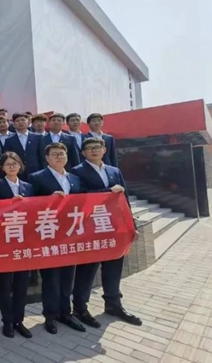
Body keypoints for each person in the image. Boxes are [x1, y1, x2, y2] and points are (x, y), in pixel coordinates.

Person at [70, 137, 142, 327]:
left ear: (104, 150)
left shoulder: (114, 170)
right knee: (87, 271)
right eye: (89, 148)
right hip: (91, 228)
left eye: (97, 147)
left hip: (113, 228)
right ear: (83, 153)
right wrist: (107, 191)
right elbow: (79, 197)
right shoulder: (77, 171)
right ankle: (80, 308)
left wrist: (131, 225)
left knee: (113, 268)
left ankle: (113, 304)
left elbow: (124, 199)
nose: (94, 150)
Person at [28, 143, 86, 335]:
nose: (59, 157)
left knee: (68, 277)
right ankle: (50, 315)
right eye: (54, 154)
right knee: (51, 279)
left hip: (70, 235)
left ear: (67, 157)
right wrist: (49, 199)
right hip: (49, 236)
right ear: (47, 158)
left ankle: (65, 313)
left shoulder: (75, 179)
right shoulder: (37, 178)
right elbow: (30, 206)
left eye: (62, 153)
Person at [0, 152, 34, 339]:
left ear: (20, 166)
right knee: (5, 286)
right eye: (8, 164)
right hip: (4, 243)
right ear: (2, 168)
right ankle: (7, 321)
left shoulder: (28, 187)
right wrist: (9, 204)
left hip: (23, 242)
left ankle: (18, 320)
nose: (12, 167)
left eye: (14, 163)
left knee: (22, 285)